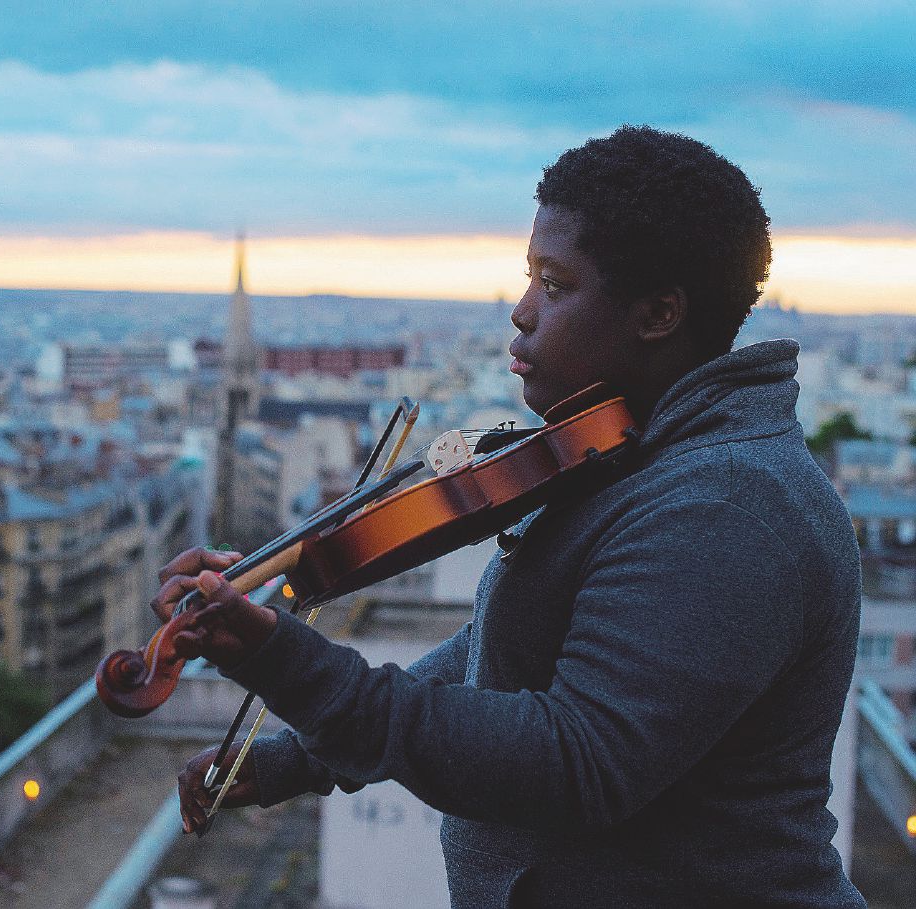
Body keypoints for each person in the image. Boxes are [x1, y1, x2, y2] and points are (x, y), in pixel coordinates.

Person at [154, 125, 864, 907]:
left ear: (659, 313)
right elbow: (504, 642)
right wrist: (300, 756)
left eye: (556, 286)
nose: (521, 314)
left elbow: (578, 764)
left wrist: (301, 672)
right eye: (531, 279)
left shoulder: (726, 505)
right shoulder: (631, 453)